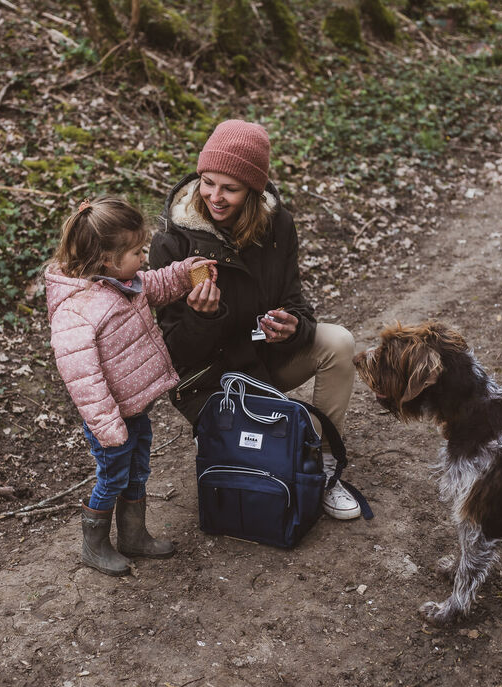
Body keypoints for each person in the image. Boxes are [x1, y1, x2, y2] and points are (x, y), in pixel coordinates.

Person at [149, 119, 360, 520]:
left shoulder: (278, 226)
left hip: (264, 360)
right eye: (208, 182)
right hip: (213, 381)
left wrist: (294, 326)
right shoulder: (172, 243)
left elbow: (295, 300)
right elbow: (176, 353)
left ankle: (327, 468)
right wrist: (202, 316)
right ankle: (232, 441)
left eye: (230, 188)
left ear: (253, 190)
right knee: (259, 462)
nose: (215, 196)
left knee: (339, 342)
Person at [45, 196, 216, 575]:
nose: (144, 258)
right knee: (113, 477)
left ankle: (134, 536)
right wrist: (107, 428)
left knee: (137, 471)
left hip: (135, 409)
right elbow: (83, 379)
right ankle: (94, 545)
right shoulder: (76, 310)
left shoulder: (126, 281)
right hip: (110, 421)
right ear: (107, 258)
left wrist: (188, 272)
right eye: (138, 251)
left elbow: (156, 284)